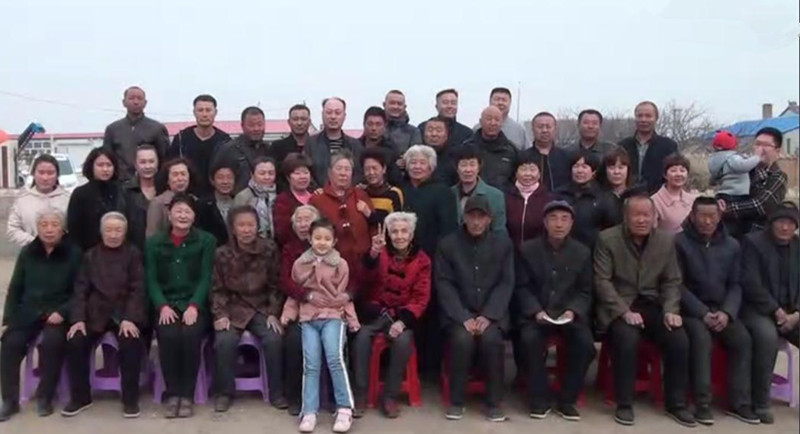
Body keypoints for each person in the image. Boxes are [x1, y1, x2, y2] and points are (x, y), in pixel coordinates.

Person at [594, 193, 694, 427]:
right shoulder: (607, 239)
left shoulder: (665, 241)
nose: (641, 220)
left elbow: (672, 280)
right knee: (626, 339)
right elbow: (602, 281)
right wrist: (624, 311)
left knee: (678, 339)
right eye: (636, 215)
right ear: (625, 217)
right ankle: (624, 403)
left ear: (654, 217)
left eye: (646, 215)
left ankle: (676, 404)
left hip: (652, 304)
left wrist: (671, 310)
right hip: (620, 305)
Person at [674, 197, 760, 425]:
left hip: (722, 309)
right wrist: (702, 312)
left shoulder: (732, 245)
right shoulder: (679, 242)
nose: (707, 221)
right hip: (691, 311)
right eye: (702, 216)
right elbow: (677, 285)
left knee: (742, 339)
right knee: (701, 340)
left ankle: (739, 402)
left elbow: (736, 284)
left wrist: (727, 312)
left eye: (712, 216)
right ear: (692, 216)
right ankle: (702, 403)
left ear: (720, 217)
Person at [515, 200, 595, 421]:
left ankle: (567, 400)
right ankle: (539, 398)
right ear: (544, 222)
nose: (559, 224)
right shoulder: (528, 249)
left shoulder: (582, 252)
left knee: (585, 345)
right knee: (528, 341)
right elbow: (521, 287)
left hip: (568, 314)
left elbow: (585, 290)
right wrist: (536, 311)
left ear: (571, 223)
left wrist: (572, 311)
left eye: (564, 219)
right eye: (553, 218)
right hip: (537, 313)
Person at [436, 196, 513, 422]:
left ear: (489, 219)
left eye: (482, 217)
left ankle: (494, 402)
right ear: (464, 217)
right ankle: (456, 401)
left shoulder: (503, 244)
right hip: (458, 314)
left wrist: (489, 315)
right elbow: (444, 283)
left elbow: (506, 282)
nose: (476, 222)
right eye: (472, 216)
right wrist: (462, 316)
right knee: (462, 340)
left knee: (492, 340)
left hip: (492, 314)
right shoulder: (448, 244)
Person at [0, 209, 81, 421]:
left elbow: (81, 291)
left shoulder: (74, 253)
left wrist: (63, 311)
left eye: (54, 225)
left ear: (63, 229)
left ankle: (45, 397)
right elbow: (15, 288)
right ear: (37, 228)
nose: (49, 229)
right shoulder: (28, 252)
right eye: (44, 225)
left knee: (52, 343)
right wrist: (8, 319)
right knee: (10, 343)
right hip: (29, 311)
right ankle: (9, 400)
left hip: (58, 312)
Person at [62, 212, 146, 419]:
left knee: (131, 342)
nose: (113, 235)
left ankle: (130, 399)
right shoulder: (90, 256)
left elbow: (138, 289)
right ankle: (81, 397)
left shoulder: (133, 254)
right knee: (75, 340)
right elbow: (80, 289)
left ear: (125, 233)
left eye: (118, 230)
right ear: (101, 232)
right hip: (96, 312)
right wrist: (78, 319)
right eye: (109, 230)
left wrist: (130, 318)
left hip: (123, 313)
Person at [280, 219, 359, 433]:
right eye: (317, 238)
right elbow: (294, 293)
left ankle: (344, 408)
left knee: (335, 359)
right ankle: (309, 411)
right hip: (308, 319)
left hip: (333, 317)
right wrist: (288, 314)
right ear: (309, 239)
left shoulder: (340, 264)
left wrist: (352, 320)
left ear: (334, 241)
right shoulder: (300, 264)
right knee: (311, 364)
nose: (322, 242)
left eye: (326, 238)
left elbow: (343, 297)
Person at [352, 212, 431, 418]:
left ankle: (390, 396)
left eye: (404, 231)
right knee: (361, 337)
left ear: (411, 234)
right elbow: (362, 282)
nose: (399, 236)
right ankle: (361, 394)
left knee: (403, 342)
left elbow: (421, 297)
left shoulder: (422, 260)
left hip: (402, 316)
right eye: (394, 232)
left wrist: (403, 321)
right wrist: (372, 257)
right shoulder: (380, 252)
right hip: (377, 312)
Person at [145, 193, 216, 418]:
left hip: (195, 304)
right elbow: (151, 279)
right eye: (178, 211)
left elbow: (206, 277)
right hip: (166, 304)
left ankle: (187, 395)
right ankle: (172, 393)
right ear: (169, 214)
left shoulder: (206, 240)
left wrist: (194, 305)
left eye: (187, 212)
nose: (182, 216)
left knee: (190, 335)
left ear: (194, 216)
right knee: (168, 335)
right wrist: (162, 306)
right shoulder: (154, 242)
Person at [210, 205, 287, 412]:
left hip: (262, 306)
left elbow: (276, 285)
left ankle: (277, 392)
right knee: (224, 341)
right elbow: (217, 289)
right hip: (233, 306)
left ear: (257, 226)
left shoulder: (269, 249)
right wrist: (220, 314)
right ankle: (224, 393)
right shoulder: (222, 253)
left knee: (274, 339)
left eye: (250, 225)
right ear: (233, 229)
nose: (246, 230)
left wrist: (273, 312)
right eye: (241, 225)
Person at [740, 202, 799, 425]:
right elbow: (750, 282)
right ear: (771, 223)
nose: (785, 227)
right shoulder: (753, 243)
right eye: (781, 222)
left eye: (791, 223)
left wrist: (797, 314)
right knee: (767, 338)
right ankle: (761, 402)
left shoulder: (798, 246)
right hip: (759, 309)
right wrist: (775, 310)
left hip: (792, 311)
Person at [279, 205, 322, 416]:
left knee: (338, 340)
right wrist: (306, 294)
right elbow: (285, 281)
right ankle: (295, 396)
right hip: (299, 305)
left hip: (327, 307)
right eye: (300, 220)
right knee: (294, 340)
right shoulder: (289, 249)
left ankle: (335, 397)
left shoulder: (328, 245)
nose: (304, 224)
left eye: (308, 219)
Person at [309, 151, 374, 282]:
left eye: (347, 169)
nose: (343, 173)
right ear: (329, 172)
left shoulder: (361, 195)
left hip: (363, 265)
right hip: (331, 268)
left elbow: (373, 225)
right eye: (339, 168)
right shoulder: (317, 199)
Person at [720, 127, 788, 237]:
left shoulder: (778, 176)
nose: (761, 149)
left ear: (777, 151)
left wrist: (725, 209)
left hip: (756, 236)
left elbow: (760, 205)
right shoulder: (742, 168)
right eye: (758, 144)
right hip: (729, 233)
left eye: (766, 145)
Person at [166, 94, 231, 197]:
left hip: (216, 197)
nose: (204, 114)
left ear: (215, 112)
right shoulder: (181, 139)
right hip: (186, 197)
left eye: (208, 110)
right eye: (200, 110)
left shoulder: (225, 141)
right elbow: (170, 168)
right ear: (194, 113)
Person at [401, 145, 458, 258]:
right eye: (413, 162)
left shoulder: (442, 191)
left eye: (422, 163)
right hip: (403, 253)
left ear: (431, 167)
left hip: (433, 253)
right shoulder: (400, 189)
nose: (417, 166)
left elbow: (448, 228)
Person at [102, 86, 169, 181]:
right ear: (124, 102)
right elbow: (106, 158)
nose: (136, 102)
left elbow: (165, 159)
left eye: (139, 98)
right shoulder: (112, 129)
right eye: (131, 98)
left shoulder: (157, 128)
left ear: (145, 103)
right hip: (120, 183)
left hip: (150, 182)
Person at [67, 147, 127, 251]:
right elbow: (74, 230)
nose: (105, 169)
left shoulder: (122, 192)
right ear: (91, 166)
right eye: (100, 165)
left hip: (120, 251)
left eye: (109, 165)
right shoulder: (80, 194)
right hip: (88, 253)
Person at [556, 153, 620, 248]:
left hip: (592, 250)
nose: (579, 171)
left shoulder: (604, 197)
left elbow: (611, 229)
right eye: (576, 166)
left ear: (593, 171)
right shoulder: (560, 194)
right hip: (563, 250)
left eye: (584, 167)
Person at [7, 154, 70, 247]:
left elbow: (75, 229)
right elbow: (13, 229)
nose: (45, 178)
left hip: (62, 252)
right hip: (31, 252)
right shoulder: (22, 200)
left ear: (57, 175)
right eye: (41, 172)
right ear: (33, 174)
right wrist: (35, 242)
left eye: (50, 173)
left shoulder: (68, 199)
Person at [618, 101, 679, 193]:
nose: (643, 120)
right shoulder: (623, 146)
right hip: (627, 196)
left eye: (648, 116)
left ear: (656, 118)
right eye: (640, 116)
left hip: (659, 196)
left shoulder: (669, 146)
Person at [211, 106, 271, 194]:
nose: (256, 129)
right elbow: (213, 176)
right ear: (242, 126)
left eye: (260, 124)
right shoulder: (228, 149)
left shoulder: (269, 150)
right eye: (251, 125)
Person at [305, 97, 364, 186]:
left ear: (344, 116)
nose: (333, 117)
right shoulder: (311, 144)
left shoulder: (355, 145)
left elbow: (359, 174)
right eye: (329, 112)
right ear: (322, 115)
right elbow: (305, 171)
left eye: (337, 113)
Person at [451, 144, 507, 234]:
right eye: (463, 165)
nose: (468, 170)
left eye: (472, 164)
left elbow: (499, 231)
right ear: (456, 168)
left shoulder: (495, 196)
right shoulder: (449, 194)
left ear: (479, 167)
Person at [463, 106, 519, 191]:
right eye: (489, 119)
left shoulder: (511, 150)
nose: (493, 123)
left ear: (502, 123)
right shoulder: (467, 147)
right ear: (480, 122)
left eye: (497, 120)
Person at [506, 155, 553, 249]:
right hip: (510, 250)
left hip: (538, 251)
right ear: (516, 173)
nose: (528, 174)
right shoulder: (506, 196)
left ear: (539, 174)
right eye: (523, 169)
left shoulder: (549, 199)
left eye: (532, 169)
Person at [521, 112, 571, 192]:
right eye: (540, 127)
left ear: (555, 129)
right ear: (532, 129)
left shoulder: (566, 157)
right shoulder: (522, 157)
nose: (544, 130)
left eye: (548, 127)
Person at [273, 153, 315, 247]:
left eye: (305, 172)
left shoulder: (316, 196)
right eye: (297, 173)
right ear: (288, 177)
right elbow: (282, 233)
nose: (302, 177)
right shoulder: (282, 200)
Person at [146, 158, 193, 238]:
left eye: (183, 174)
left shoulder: (194, 200)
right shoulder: (157, 203)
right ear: (167, 180)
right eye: (175, 175)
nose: (180, 178)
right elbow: (152, 236)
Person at [124, 144, 159, 251]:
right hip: (133, 250)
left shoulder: (166, 189)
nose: (147, 166)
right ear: (135, 164)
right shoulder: (125, 191)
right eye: (143, 162)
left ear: (157, 163)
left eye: (151, 161)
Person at [708, 130, 760, 202]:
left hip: (722, 193)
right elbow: (743, 166)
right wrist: (757, 158)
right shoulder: (732, 158)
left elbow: (713, 178)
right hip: (736, 193)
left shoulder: (713, 160)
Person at [652, 153, 698, 234]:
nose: (678, 174)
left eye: (682, 170)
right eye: (673, 170)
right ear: (665, 175)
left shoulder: (693, 199)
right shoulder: (655, 201)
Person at [234, 157, 278, 239]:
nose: (267, 177)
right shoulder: (243, 196)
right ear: (252, 174)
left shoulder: (279, 194)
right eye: (262, 173)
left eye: (271, 173)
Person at [195, 161, 237, 246]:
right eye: (220, 177)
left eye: (229, 177)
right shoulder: (202, 205)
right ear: (212, 180)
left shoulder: (239, 201)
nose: (225, 181)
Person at [360, 147, 404, 225]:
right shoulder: (361, 192)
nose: (371, 172)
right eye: (367, 169)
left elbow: (396, 224)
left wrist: (370, 215)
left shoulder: (394, 193)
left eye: (375, 168)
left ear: (384, 169)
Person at [359, 106, 402, 185]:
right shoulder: (355, 146)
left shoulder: (391, 150)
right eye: (370, 124)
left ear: (385, 126)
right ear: (364, 124)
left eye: (378, 124)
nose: (374, 128)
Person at [269, 104, 312, 168]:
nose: (299, 123)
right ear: (289, 122)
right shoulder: (277, 147)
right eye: (295, 119)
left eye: (303, 119)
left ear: (309, 122)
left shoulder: (317, 146)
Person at [421, 116, 459, 186]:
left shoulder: (456, 156)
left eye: (439, 131)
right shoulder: (417, 154)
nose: (434, 134)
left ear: (446, 135)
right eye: (430, 130)